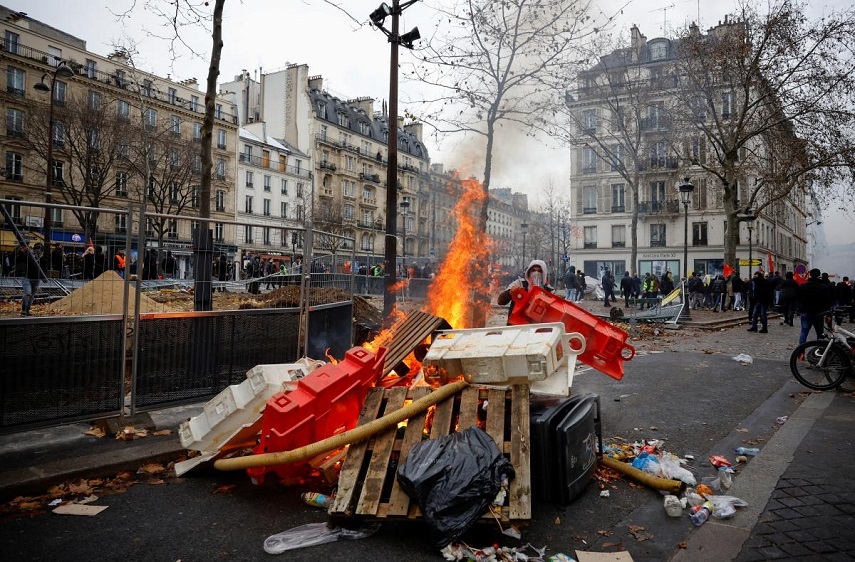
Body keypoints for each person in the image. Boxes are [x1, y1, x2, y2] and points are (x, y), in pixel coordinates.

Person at [796, 268, 834, 345]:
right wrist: (828, 314)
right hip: (819, 313)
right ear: (819, 275)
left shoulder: (803, 286)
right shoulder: (823, 287)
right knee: (820, 333)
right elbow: (827, 302)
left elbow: (798, 299)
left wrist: (800, 309)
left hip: (806, 311)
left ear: (810, 275)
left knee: (804, 332)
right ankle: (820, 350)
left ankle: (800, 352)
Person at [14, 242, 50, 316]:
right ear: (34, 249)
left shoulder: (43, 258)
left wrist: (44, 277)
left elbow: (44, 268)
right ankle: (23, 309)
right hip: (26, 277)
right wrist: (21, 252)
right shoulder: (28, 255)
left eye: (40, 249)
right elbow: (19, 258)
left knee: (32, 295)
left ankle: (27, 309)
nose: (38, 250)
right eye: (37, 248)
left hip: (36, 279)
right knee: (28, 293)